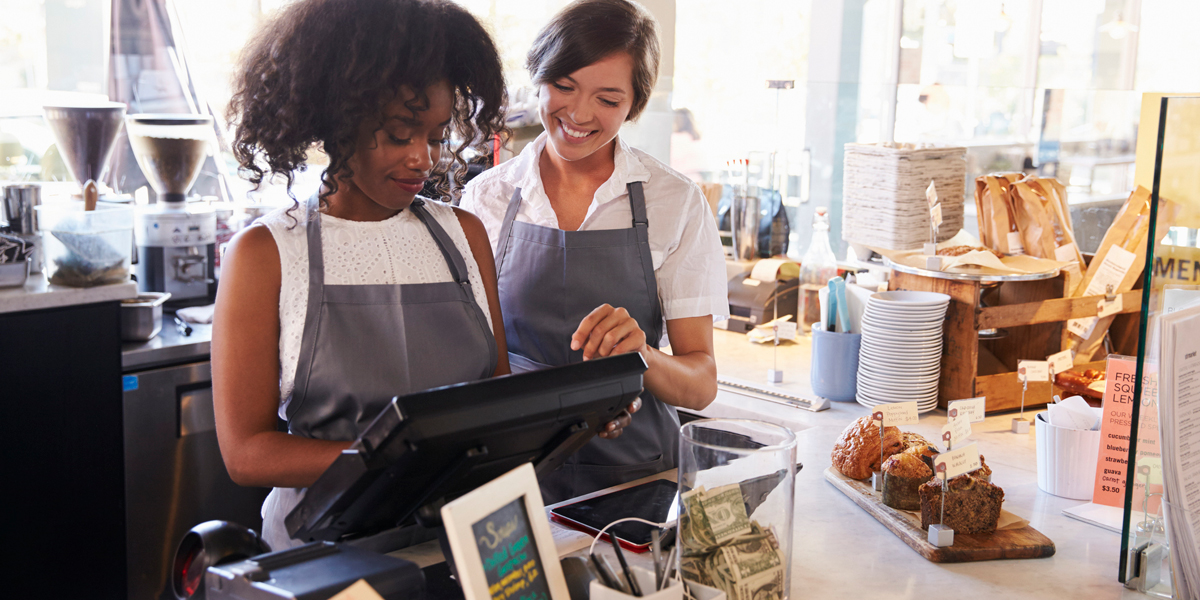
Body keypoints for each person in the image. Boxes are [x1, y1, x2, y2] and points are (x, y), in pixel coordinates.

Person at [211, 0, 514, 550]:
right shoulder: (265, 253)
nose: (424, 158)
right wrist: (396, 461)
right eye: (401, 134)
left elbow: (496, 395)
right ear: (340, 119)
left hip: (461, 540)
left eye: (438, 135)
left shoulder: (464, 236)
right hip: (323, 551)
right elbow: (247, 452)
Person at [460, 0, 729, 503]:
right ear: (537, 79)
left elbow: (701, 384)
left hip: (636, 476)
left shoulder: (676, 202)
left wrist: (642, 357)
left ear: (634, 105)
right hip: (512, 474)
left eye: (607, 99)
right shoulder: (486, 198)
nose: (579, 114)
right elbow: (468, 361)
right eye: (563, 86)